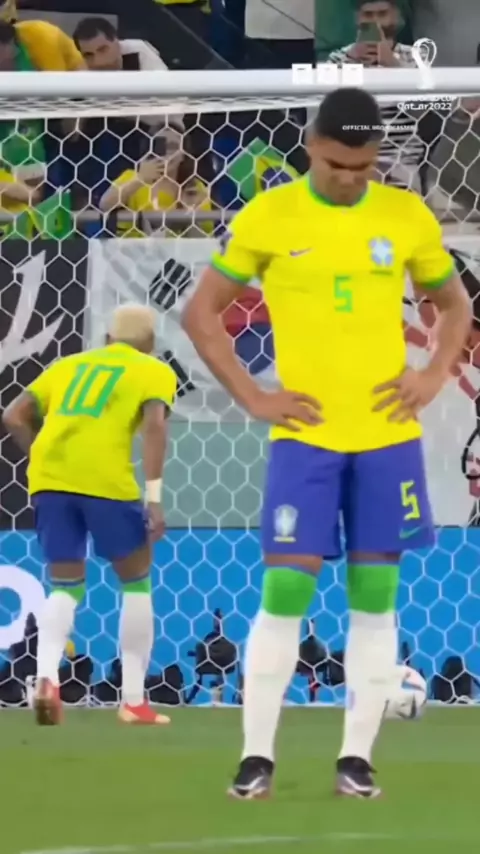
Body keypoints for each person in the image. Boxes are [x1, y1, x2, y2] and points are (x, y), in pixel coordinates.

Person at [182, 87, 472, 799]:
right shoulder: (270, 215)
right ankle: (256, 757)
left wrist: (432, 374)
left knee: (375, 597)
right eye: (339, 164)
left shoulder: (405, 215)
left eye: (364, 166)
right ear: (312, 146)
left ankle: (356, 760)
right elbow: (201, 313)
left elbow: (455, 303)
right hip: (305, 437)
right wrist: (254, 397)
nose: (350, 178)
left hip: (385, 438)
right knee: (286, 589)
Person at [2, 304, 177, 727]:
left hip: (50, 481)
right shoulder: (153, 370)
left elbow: (12, 415)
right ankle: (133, 701)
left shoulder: (67, 366)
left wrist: (42, 458)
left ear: (107, 339)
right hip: (105, 482)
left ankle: (46, 678)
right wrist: (154, 498)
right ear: (150, 343)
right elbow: (155, 427)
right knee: (136, 582)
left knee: (64, 585)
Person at [326, 0, 424, 188]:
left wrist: (394, 66)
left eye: (382, 14)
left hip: (401, 164)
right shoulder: (337, 59)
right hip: (348, 163)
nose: (376, 22)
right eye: (368, 15)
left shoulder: (416, 58)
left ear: (396, 16)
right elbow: (327, 114)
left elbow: (423, 112)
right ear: (357, 18)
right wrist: (351, 62)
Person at [99, 128, 213, 237]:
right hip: (133, 248)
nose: (167, 153)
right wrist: (140, 179)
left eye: (173, 146)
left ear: (183, 154)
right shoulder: (131, 176)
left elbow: (207, 231)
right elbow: (105, 205)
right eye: (161, 146)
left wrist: (191, 211)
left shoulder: (193, 186)